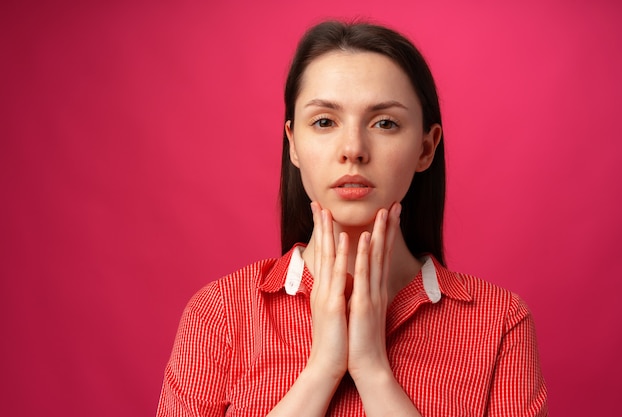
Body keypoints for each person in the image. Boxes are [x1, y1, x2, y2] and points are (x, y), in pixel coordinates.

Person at [157, 20, 548, 417]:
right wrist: (322, 369)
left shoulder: (499, 323)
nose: (353, 149)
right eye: (325, 121)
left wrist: (372, 369)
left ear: (425, 149)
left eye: (385, 123)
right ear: (293, 144)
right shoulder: (219, 313)